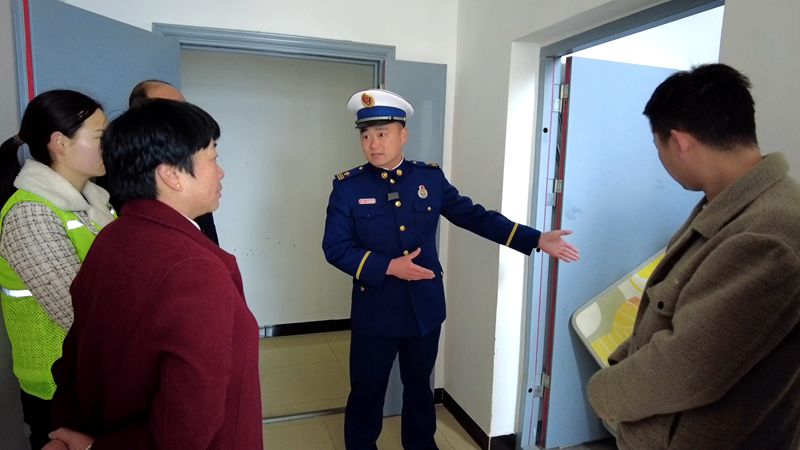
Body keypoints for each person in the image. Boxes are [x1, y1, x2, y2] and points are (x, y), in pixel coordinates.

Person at [322, 89, 580, 449]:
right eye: (365, 135)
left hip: (424, 310)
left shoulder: (428, 179)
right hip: (375, 312)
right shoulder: (348, 188)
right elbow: (335, 248)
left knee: (419, 389)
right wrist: (389, 267)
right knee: (367, 392)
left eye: (382, 133)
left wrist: (534, 238)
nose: (373, 144)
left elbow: (474, 216)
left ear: (403, 134)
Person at [586, 64, 800, 449]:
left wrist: (603, 393)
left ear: (680, 142)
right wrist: (620, 368)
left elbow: (688, 368)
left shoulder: (767, 234)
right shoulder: (724, 205)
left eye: (659, 149)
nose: (661, 161)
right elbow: (665, 313)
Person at [44, 99, 262, 449]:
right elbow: (186, 428)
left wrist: (68, 433)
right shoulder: (194, 269)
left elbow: (74, 361)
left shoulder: (113, 236)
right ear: (171, 174)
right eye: (213, 158)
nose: (221, 172)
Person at [0, 90, 114, 450]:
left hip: (96, 376)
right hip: (58, 385)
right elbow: (75, 311)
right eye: (100, 136)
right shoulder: (31, 213)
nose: (109, 145)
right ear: (60, 143)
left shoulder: (97, 204)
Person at [102, 79, 220, 245]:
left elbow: (210, 246)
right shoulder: (111, 185)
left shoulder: (194, 195)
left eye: (182, 107)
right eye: (168, 108)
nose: (181, 116)